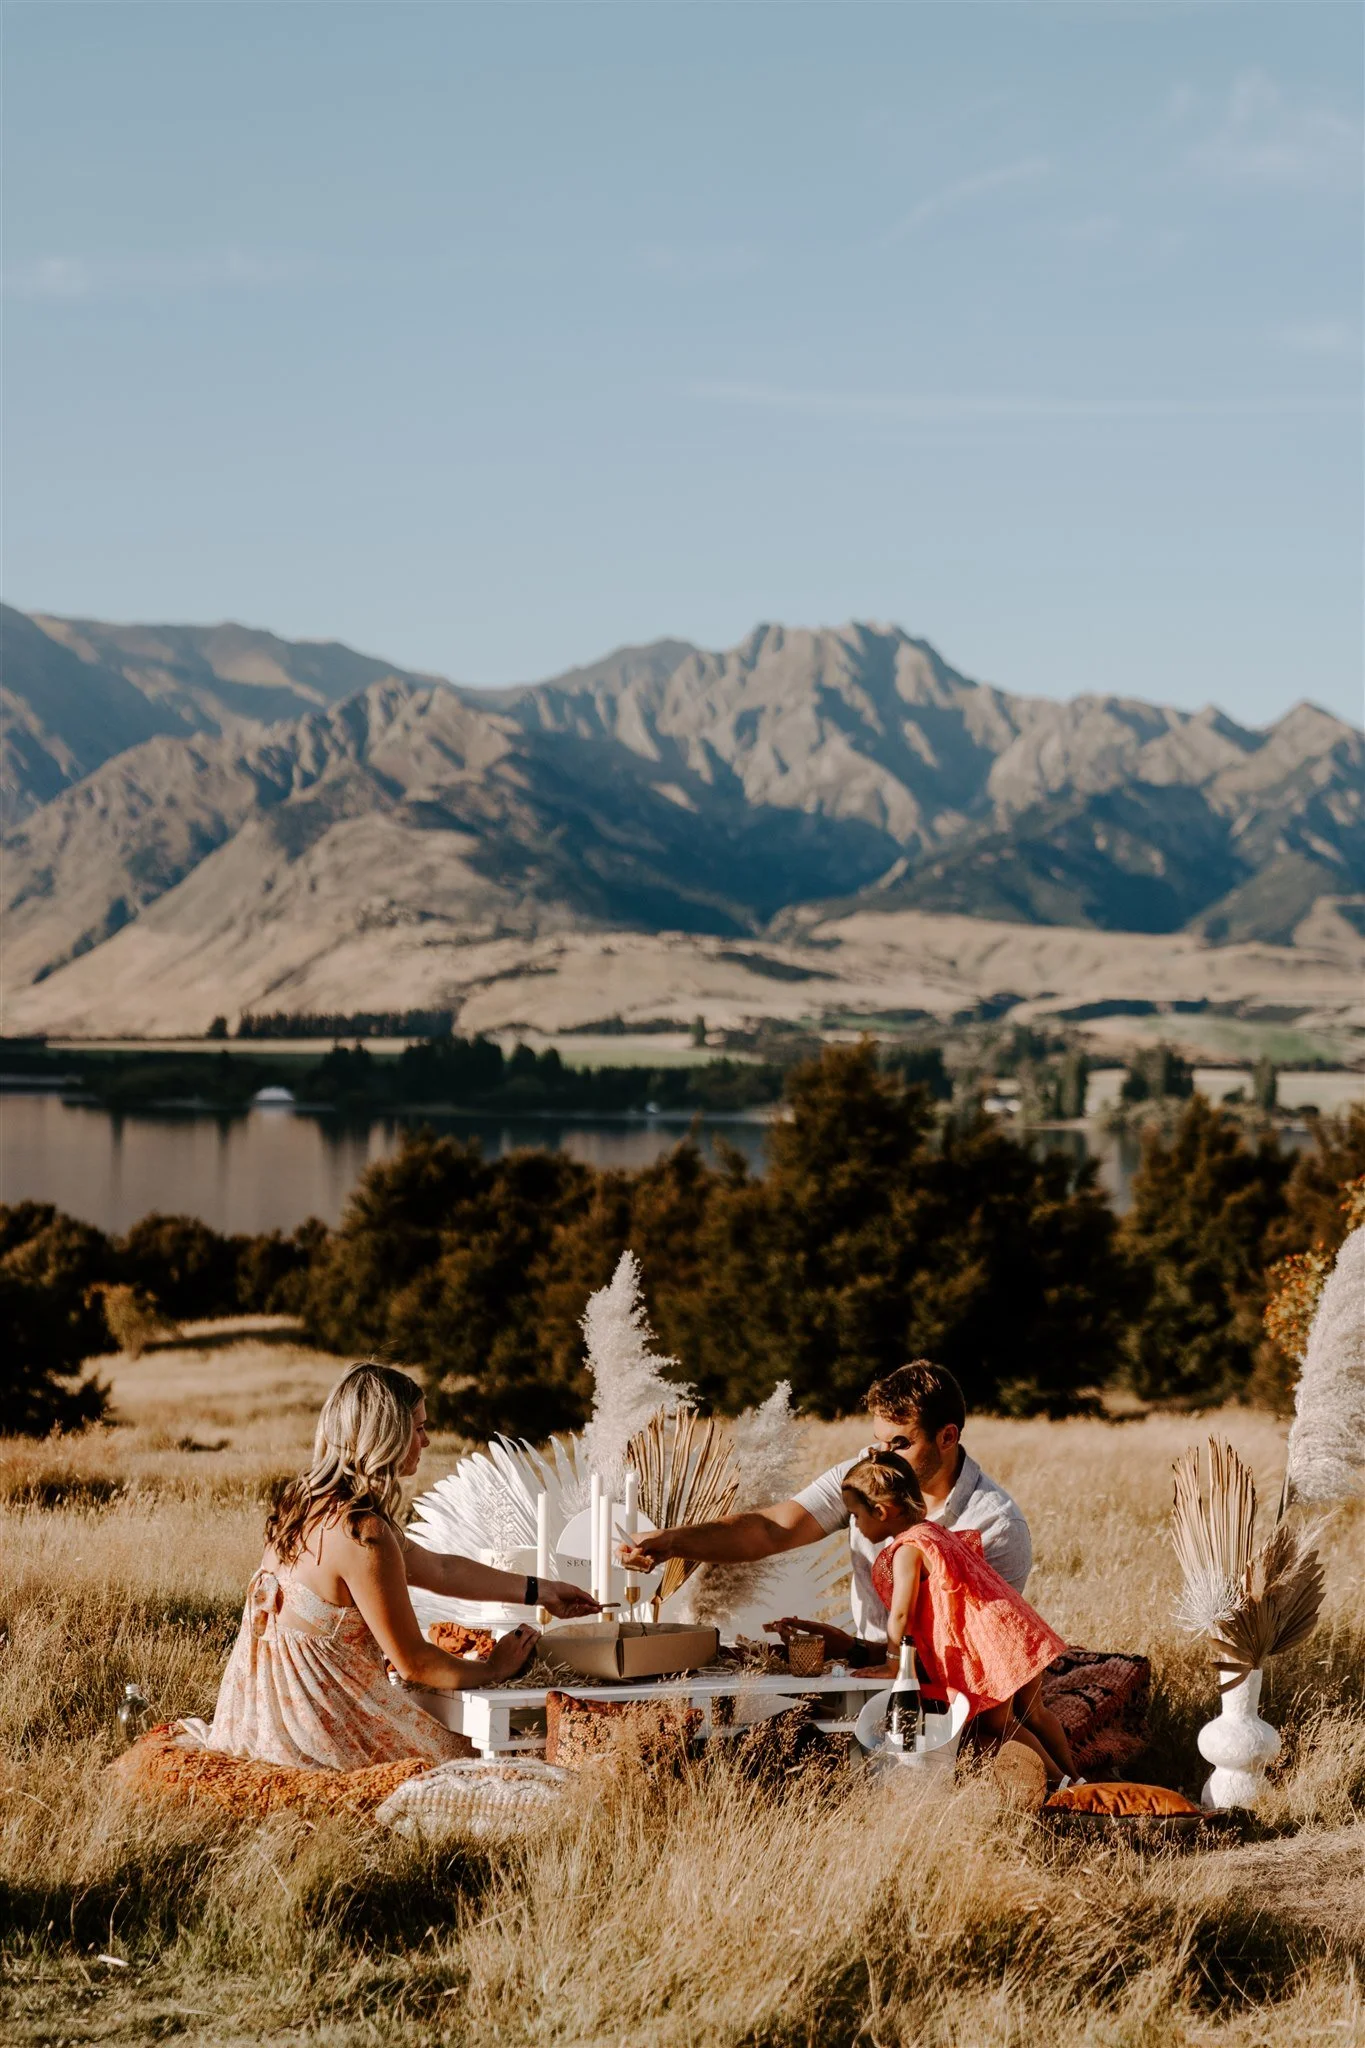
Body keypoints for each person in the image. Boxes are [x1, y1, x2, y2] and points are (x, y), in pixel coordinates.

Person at [208, 1361, 599, 1770]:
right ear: (386, 1436)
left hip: (260, 1728)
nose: (426, 1441)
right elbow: (415, 1663)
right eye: (419, 1428)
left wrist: (542, 1590)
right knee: (499, 1765)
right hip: (325, 1738)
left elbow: (440, 1570)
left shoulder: (303, 1504)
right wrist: (495, 1668)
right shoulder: (362, 1533)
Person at [618, 1360, 1032, 1664]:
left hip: (946, 1696)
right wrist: (672, 1541)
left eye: (900, 1444)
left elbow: (972, 1657)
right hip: (863, 1673)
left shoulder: (995, 1526)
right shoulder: (866, 1475)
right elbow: (773, 1528)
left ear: (947, 1437)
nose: (884, 1456)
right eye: (879, 1441)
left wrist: (852, 1650)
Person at [841, 1449, 1078, 1785]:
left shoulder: (907, 1550)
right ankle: (1078, 1778)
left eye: (855, 1515)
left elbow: (902, 1613)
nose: (854, 1524)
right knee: (1035, 1713)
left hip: (991, 1646)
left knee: (1000, 1725)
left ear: (881, 1512)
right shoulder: (935, 1533)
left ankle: (1062, 1787)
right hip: (1015, 1629)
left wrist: (894, 1663)